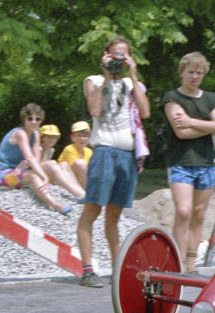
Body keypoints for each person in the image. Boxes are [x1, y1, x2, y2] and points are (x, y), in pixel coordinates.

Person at [77, 36, 150, 288]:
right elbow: (95, 110)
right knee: (93, 209)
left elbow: (145, 111)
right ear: (105, 56)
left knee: (115, 214)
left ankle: (117, 268)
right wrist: (108, 76)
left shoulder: (132, 83)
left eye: (124, 55)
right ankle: (87, 269)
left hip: (126, 154)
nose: (119, 60)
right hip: (105, 150)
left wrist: (134, 74)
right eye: (115, 55)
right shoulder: (94, 81)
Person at [161, 51, 215, 273]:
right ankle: (177, 260)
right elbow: (180, 132)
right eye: (191, 72)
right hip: (181, 162)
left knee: (199, 214)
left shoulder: (211, 98)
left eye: (199, 73)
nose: (195, 76)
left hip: (206, 163)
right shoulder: (172, 98)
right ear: (182, 73)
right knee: (184, 211)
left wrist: (191, 122)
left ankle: (191, 263)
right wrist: (207, 126)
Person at [0, 103, 73, 214]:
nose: (34, 122)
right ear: (24, 119)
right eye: (30, 119)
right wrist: (43, 176)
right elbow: (29, 157)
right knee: (34, 175)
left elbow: (35, 160)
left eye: (37, 119)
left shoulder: (35, 134)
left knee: (51, 164)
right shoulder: (20, 133)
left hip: (20, 170)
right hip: (1, 173)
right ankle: (55, 204)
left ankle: (76, 193)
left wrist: (26, 164)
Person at [37, 124, 85, 200]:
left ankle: (80, 190)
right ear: (43, 137)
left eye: (54, 137)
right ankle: (78, 193)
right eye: (48, 136)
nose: (51, 139)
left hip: (47, 174)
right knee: (52, 163)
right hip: (39, 176)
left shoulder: (51, 150)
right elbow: (35, 167)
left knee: (64, 164)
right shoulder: (39, 149)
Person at [57, 121, 93, 188]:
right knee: (80, 164)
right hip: (67, 180)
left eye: (85, 136)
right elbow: (75, 170)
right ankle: (85, 193)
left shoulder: (89, 151)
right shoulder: (69, 149)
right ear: (72, 138)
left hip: (81, 180)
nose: (82, 139)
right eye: (79, 135)